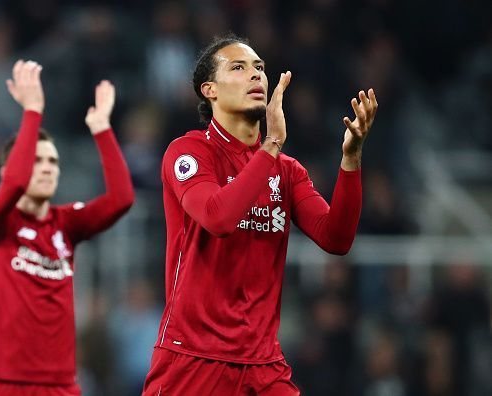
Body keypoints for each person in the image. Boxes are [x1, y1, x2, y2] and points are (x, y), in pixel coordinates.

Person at [142, 34, 378, 395]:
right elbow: (217, 218)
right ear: (210, 90)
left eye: (259, 68)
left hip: (263, 366)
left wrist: (351, 160)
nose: (255, 75)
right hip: (193, 359)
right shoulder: (188, 152)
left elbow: (337, 238)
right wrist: (270, 147)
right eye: (238, 67)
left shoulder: (286, 170)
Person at [0, 60, 134, 396]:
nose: (46, 168)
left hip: (60, 385)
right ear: (6, 172)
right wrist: (33, 111)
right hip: (0, 381)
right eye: (37, 160)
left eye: (53, 162)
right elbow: (14, 183)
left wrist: (101, 127)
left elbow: (121, 199)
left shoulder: (65, 224)